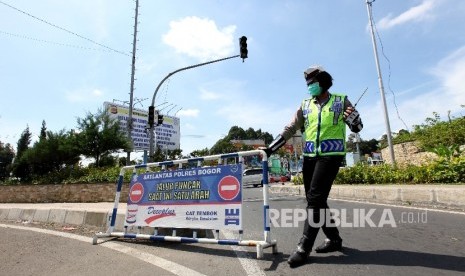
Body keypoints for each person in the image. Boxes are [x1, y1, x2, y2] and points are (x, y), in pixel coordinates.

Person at [263, 65, 363, 267]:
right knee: (315, 200)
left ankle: (304, 247)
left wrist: (354, 120)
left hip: (331, 156)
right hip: (309, 157)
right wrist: (270, 149)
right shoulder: (305, 104)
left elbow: (357, 127)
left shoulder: (340, 100)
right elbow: (291, 128)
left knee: (315, 200)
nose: (309, 87)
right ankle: (334, 239)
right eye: (308, 84)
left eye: (313, 83)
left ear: (323, 82)